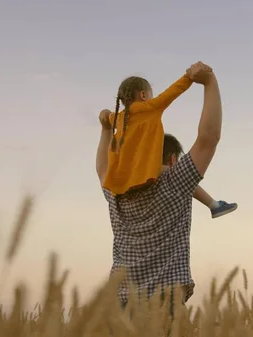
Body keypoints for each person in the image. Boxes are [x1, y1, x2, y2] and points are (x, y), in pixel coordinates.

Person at [95, 61, 224, 317]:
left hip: (117, 308)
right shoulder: (176, 183)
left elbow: (102, 168)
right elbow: (208, 138)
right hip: (163, 304)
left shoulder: (115, 193)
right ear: (174, 160)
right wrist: (209, 82)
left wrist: (106, 129)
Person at [101, 66, 237, 219]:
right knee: (175, 174)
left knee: (167, 170)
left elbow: (106, 119)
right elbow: (173, 91)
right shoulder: (150, 107)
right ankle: (214, 205)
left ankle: (214, 205)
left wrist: (104, 118)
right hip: (147, 171)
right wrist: (190, 77)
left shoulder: (117, 119)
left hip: (123, 178)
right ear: (144, 95)